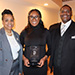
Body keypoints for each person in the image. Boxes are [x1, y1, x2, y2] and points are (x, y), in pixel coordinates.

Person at [20, 9, 51, 75]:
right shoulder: (24, 32)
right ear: (28, 18)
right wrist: (24, 59)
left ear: (40, 18)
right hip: (27, 66)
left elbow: (50, 49)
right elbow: (19, 49)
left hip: (41, 66)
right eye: (31, 16)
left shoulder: (46, 32)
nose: (34, 19)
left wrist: (44, 58)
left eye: (36, 16)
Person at [49, 4, 75, 75]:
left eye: (67, 11)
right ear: (60, 14)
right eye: (63, 11)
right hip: (56, 68)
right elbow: (49, 45)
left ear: (71, 13)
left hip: (71, 69)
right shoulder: (52, 28)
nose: (65, 13)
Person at [0, 9, 22, 75]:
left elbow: (19, 53)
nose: (9, 22)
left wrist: (20, 69)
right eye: (6, 20)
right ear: (2, 22)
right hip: (4, 68)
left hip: (16, 66)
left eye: (11, 20)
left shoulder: (17, 35)